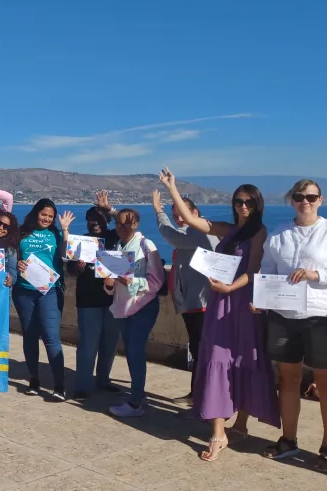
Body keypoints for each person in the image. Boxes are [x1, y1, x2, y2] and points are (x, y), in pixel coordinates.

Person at [160, 168, 280, 459]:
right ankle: (218, 433)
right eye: (239, 201)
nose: (243, 207)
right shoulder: (229, 229)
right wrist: (171, 188)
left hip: (242, 303)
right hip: (220, 303)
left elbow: (253, 271)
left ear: (257, 205)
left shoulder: (259, 232)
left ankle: (240, 424)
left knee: (244, 361)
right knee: (216, 358)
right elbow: (190, 220)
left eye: (249, 202)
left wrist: (230, 288)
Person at [260, 180, 327, 470]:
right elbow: (267, 269)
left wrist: (316, 274)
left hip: (323, 318)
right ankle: (288, 440)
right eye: (299, 196)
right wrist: (263, 295)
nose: (305, 201)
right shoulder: (279, 232)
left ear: (320, 200)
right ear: (291, 199)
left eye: (311, 197)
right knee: (288, 379)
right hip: (284, 317)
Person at [151, 189, 220, 405]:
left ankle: (201, 397)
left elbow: (171, 236)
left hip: (201, 302)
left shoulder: (199, 231)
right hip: (192, 302)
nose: (178, 218)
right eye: (175, 215)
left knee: (201, 349)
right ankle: (198, 394)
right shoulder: (192, 233)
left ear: (195, 212)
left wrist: (158, 212)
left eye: (181, 213)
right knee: (198, 348)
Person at [102, 208, 164, 418]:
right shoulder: (119, 247)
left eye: (126, 224)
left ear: (136, 224)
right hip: (125, 308)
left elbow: (156, 281)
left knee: (135, 352)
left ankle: (136, 402)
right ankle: (139, 396)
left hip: (143, 306)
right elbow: (113, 286)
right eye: (118, 224)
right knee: (131, 352)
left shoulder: (146, 245)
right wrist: (109, 284)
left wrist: (131, 281)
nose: (122, 227)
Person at [14, 199, 75, 401]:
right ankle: (34, 379)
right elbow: (12, 255)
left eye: (50, 216)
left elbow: (67, 254)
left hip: (49, 291)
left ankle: (59, 384)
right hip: (24, 291)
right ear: (36, 213)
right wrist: (18, 263)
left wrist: (65, 230)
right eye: (43, 214)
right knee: (29, 336)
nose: (47, 219)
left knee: (51, 337)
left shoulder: (56, 234)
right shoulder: (22, 232)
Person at [68, 206, 121, 401]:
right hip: (88, 301)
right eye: (92, 219)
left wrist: (111, 209)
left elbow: (128, 222)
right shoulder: (80, 242)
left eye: (100, 219)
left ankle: (103, 380)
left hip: (114, 300)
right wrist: (79, 267)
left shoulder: (116, 238)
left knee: (109, 343)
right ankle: (82, 386)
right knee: (87, 345)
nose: (96, 223)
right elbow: (71, 271)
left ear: (108, 221)